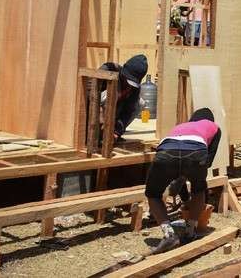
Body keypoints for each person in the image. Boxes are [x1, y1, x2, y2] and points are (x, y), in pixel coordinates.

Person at [145, 108, 221, 254]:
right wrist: (190, 177)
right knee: (198, 191)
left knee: (153, 194)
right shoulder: (214, 127)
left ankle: (169, 235)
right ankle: (190, 232)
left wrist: (180, 177)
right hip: (196, 151)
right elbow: (208, 162)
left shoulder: (180, 126)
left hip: (167, 151)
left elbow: (172, 153)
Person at [90, 54, 148, 140]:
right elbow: (89, 90)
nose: (128, 84)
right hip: (95, 112)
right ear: (124, 71)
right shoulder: (109, 69)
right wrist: (99, 114)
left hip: (115, 112)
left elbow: (128, 111)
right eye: (127, 79)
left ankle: (111, 133)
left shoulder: (134, 89)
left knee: (140, 103)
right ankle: (95, 132)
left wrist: (117, 131)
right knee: (109, 93)